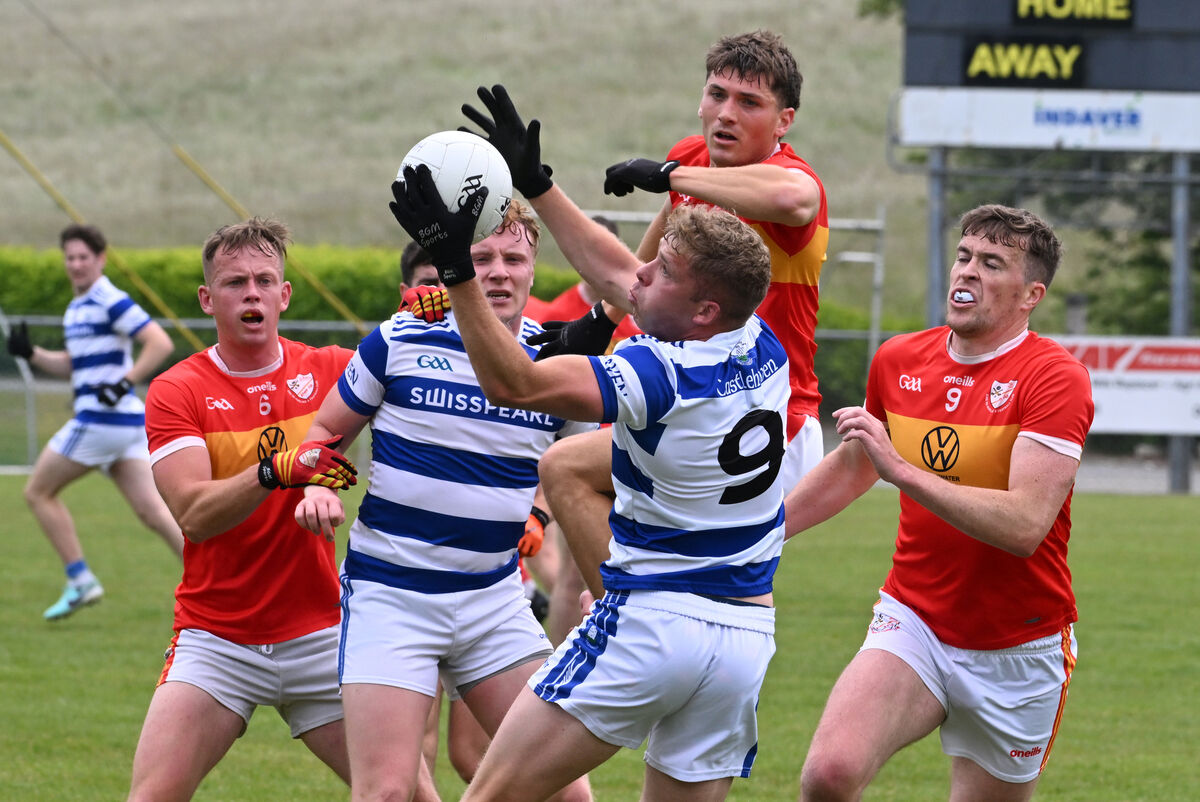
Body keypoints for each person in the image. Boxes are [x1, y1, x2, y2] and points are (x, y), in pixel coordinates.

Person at [391, 164, 790, 801]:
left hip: (657, 625)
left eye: (661, 271)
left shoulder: (659, 371)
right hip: (744, 637)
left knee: (488, 796)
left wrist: (457, 269)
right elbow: (622, 277)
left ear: (701, 309)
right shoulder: (757, 340)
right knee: (568, 465)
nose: (640, 275)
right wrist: (539, 187)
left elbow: (513, 385)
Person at [460, 29, 826, 593]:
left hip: (764, 417)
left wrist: (667, 175)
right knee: (601, 553)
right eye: (717, 94)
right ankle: (615, 619)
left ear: (785, 121)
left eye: (749, 102)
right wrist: (540, 189)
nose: (726, 113)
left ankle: (622, 619)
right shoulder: (690, 162)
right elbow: (633, 274)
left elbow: (795, 198)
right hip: (687, 400)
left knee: (572, 476)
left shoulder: (787, 181)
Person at [784, 205, 1093, 801]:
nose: (968, 272)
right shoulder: (900, 359)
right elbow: (854, 466)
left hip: (1019, 647)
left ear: (1031, 295)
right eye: (964, 256)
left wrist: (900, 469)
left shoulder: (1054, 377)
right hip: (915, 619)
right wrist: (756, 536)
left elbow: (1025, 524)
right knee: (829, 775)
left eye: (992, 263)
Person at [293, 200, 594, 802]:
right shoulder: (398, 341)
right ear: (461, 266)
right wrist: (315, 486)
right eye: (483, 257)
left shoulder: (555, 358)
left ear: (535, 270)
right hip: (392, 597)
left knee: (566, 793)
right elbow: (323, 437)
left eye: (515, 258)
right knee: (385, 791)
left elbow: (582, 473)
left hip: (493, 600)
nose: (500, 272)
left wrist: (566, 536)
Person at [126, 218, 436, 801]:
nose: (251, 293)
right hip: (217, 637)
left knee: (411, 797)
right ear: (207, 298)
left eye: (265, 280)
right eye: (235, 281)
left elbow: (412, 361)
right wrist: (277, 471)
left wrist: (438, 310)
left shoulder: (329, 368)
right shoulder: (177, 390)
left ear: (284, 295)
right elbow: (193, 512)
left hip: (321, 632)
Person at [3, 224, 183, 621]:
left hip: (102, 420)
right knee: (153, 513)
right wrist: (30, 352)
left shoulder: (107, 297)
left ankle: (80, 579)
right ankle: (218, 580)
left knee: (37, 492)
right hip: (123, 425)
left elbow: (159, 342)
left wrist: (124, 381)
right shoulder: (78, 307)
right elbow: (73, 365)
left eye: (84, 256)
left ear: (101, 259)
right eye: (70, 257)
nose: (77, 264)